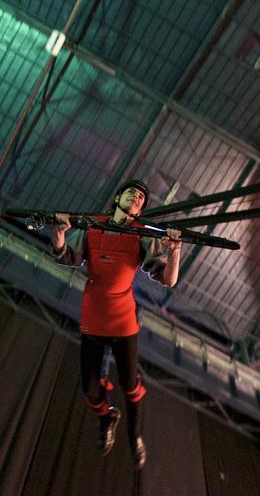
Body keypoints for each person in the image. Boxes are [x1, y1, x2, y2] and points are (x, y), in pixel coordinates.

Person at [51, 179, 181, 469]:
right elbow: (68, 257)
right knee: (88, 388)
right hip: (94, 315)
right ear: (118, 197)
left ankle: (134, 436)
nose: (136, 199)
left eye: (141, 199)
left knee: (130, 384)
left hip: (123, 319)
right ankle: (107, 417)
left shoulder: (144, 236)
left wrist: (174, 251)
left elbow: (168, 279)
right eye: (132, 194)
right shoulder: (93, 226)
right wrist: (59, 234)